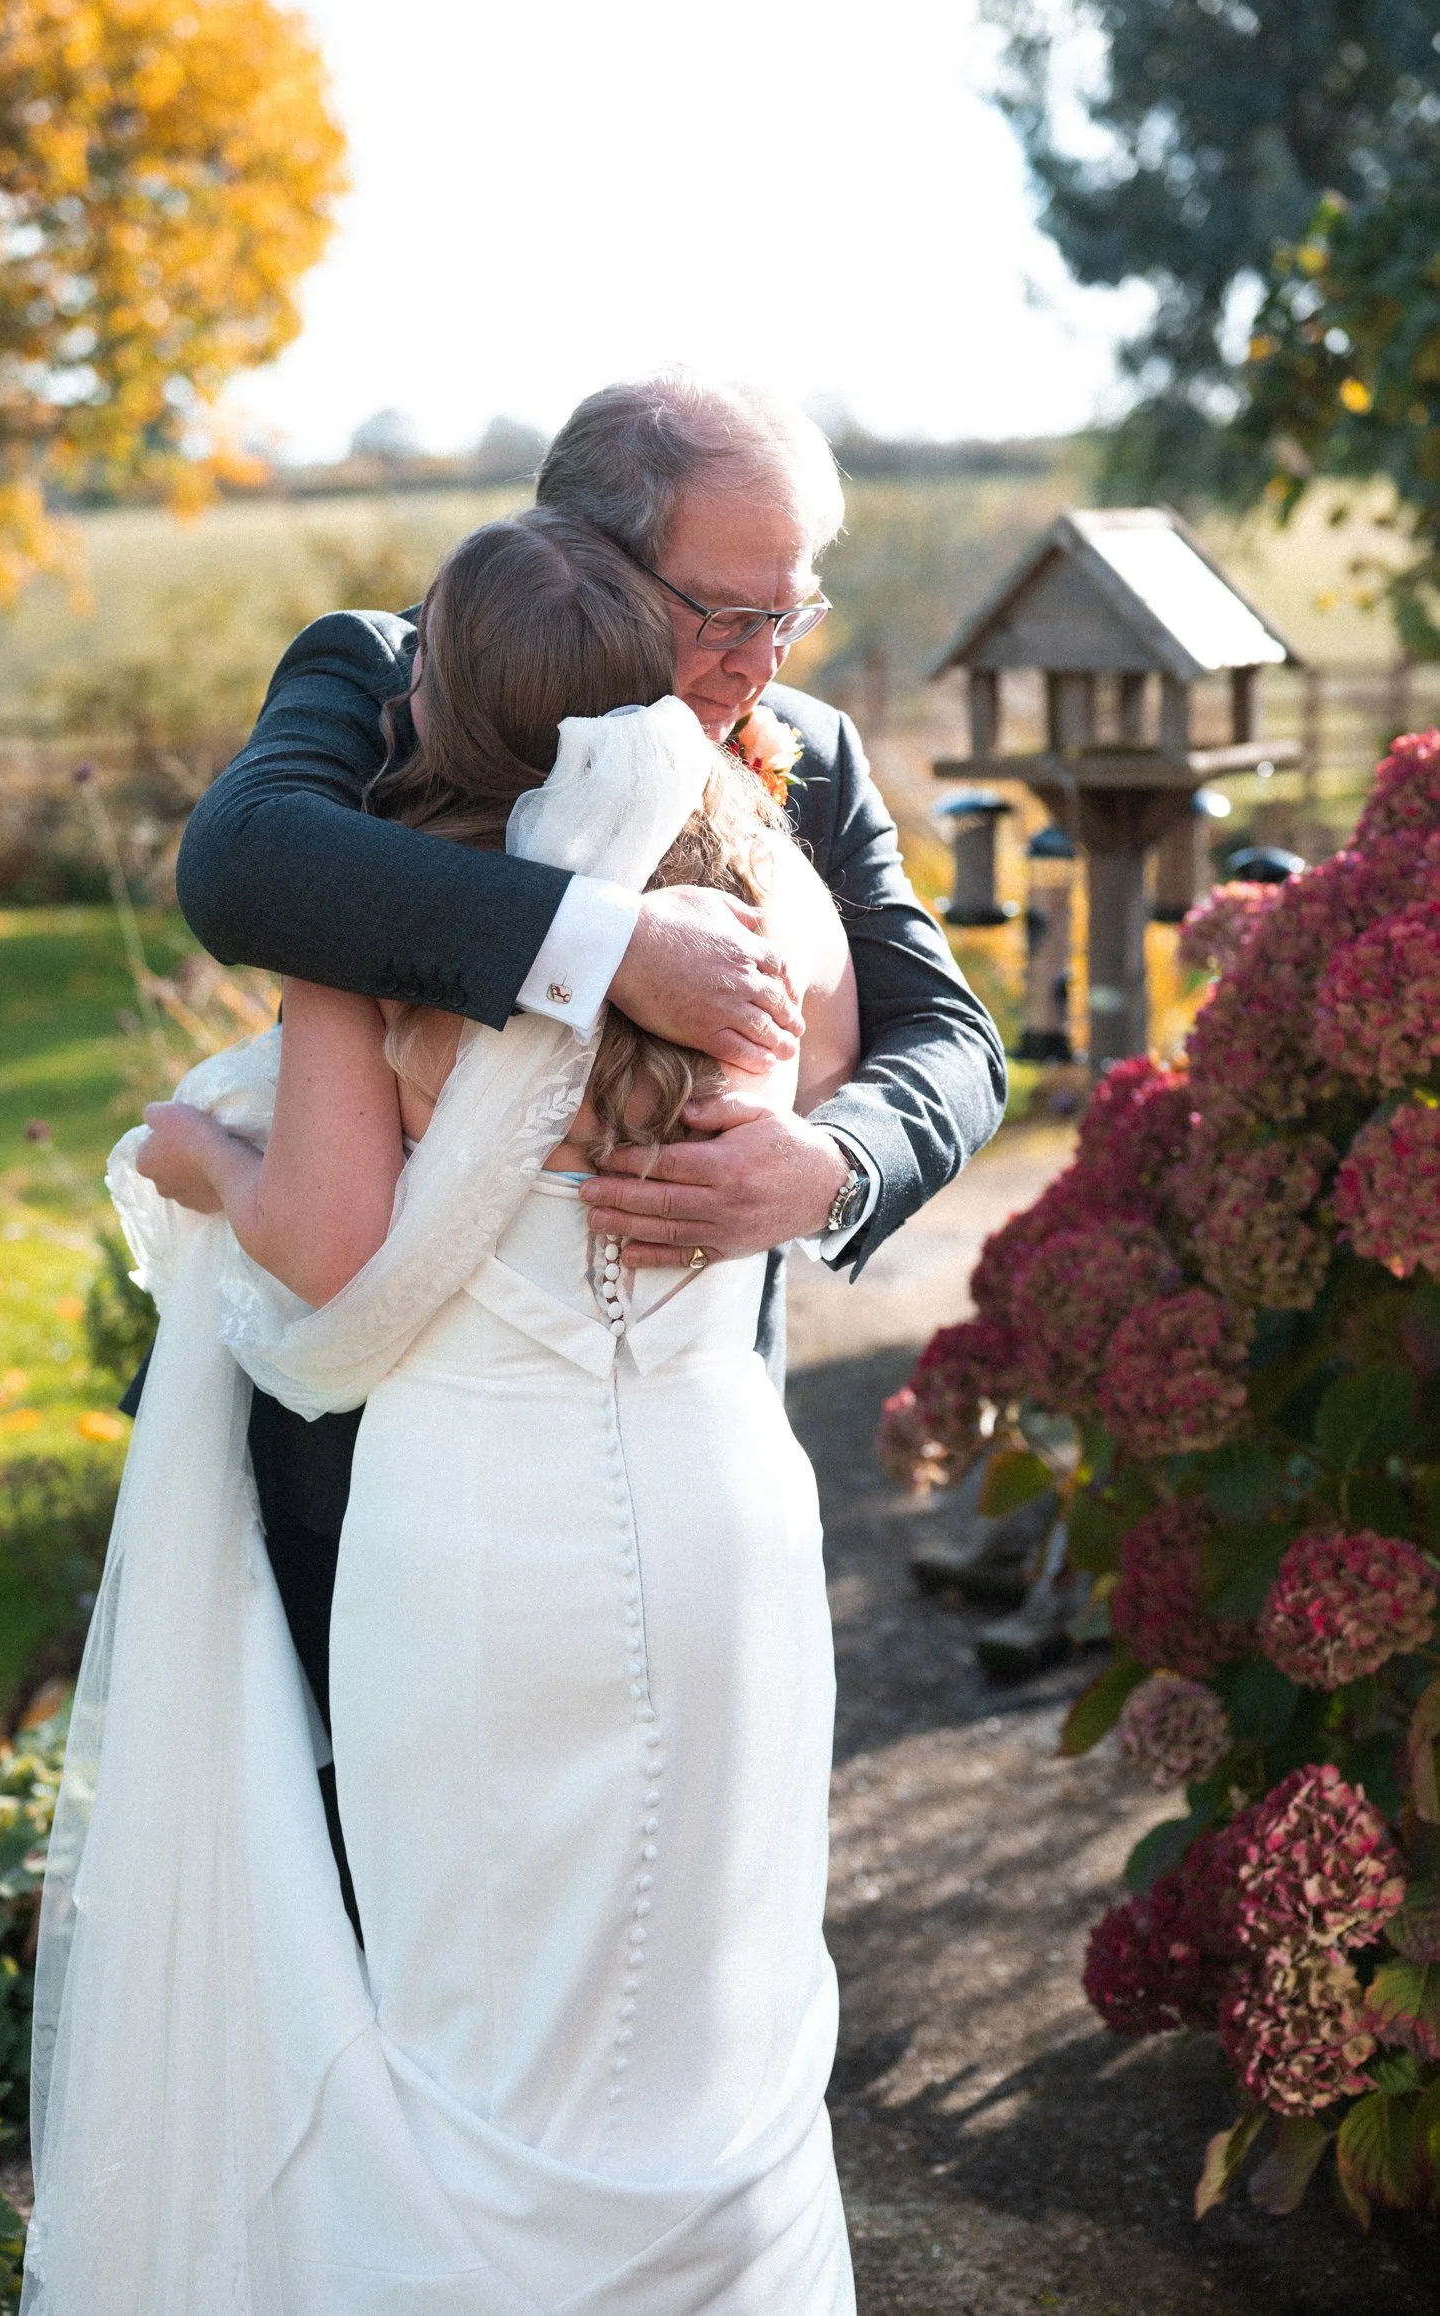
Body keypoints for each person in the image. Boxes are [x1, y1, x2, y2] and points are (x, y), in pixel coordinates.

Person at [26, 511, 865, 2309]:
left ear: (435, 697)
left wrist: (192, 1155)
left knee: (480, 2027)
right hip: (723, 1506)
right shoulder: (759, 912)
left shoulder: (370, 926)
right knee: (708, 2024)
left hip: (482, 1532)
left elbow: (330, 1248)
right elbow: (832, 1093)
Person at [160, 375, 1007, 1900]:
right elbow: (246, 864)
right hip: (392, 1478)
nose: (757, 668)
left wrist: (832, 1163)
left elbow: (948, 1042)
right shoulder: (387, 674)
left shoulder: (801, 748)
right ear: (588, 553)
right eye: (720, 615)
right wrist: (602, 942)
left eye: (791, 616)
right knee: (402, 1915)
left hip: (689, 1455)